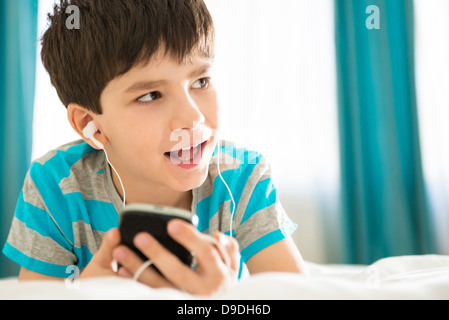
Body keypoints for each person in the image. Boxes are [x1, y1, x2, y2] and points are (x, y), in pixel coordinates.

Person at [2, 0, 305, 296]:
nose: (193, 118)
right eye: (150, 95)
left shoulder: (243, 179)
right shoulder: (54, 186)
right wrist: (86, 295)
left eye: (201, 81)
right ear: (90, 125)